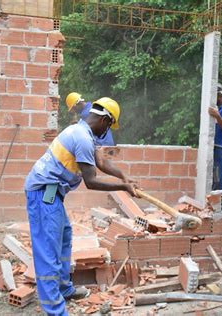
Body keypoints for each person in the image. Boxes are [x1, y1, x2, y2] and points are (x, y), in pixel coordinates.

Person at [24, 97, 138, 315]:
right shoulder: (82, 138)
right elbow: (91, 181)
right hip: (43, 194)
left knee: (64, 237)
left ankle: (64, 289)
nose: (107, 131)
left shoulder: (84, 132)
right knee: (48, 250)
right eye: (109, 125)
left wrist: (124, 176)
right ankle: (55, 310)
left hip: (52, 194)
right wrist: (123, 187)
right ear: (105, 120)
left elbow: (102, 162)